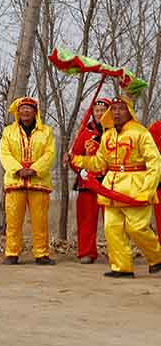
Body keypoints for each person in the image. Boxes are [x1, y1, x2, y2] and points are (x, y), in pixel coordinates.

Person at [72, 95, 161, 278]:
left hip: (135, 187)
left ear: (129, 111)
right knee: (112, 228)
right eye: (114, 109)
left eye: (121, 108)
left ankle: (157, 257)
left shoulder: (141, 133)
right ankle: (121, 267)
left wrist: (148, 188)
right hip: (111, 188)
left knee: (137, 228)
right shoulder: (108, 135)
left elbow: (154, 162)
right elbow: (99, 163)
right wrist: (76, 159)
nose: (117, 112)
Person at [0, 96, 56, 265]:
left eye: (29, 108)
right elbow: (4, 153)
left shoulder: (47, 131)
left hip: (39, 182)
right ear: (18, 111)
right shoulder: (8, 131)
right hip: (15, 181)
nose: (25, 111)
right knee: (13, 220)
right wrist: (18, 169)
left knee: (40, 220)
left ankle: (41, 253)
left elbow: (49, 154)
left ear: (35, 112)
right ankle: (12, 252)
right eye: (22, 108)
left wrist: (35, 169)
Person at [69, 98, 109, 263]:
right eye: (97, 111)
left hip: (109, 183)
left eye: (103, 111)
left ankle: (117, 252)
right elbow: (74, 157)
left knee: (113, 220)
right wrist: (81, 170)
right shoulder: (85, 133)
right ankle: (87, 252)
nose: (100, 114)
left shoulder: (115, 133)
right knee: (86, 218)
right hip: (88, 183)